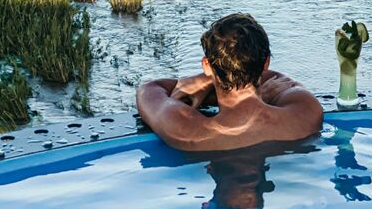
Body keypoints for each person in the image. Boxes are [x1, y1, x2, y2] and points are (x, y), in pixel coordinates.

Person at [136, 13, 324, 151]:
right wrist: (261, 95)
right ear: (266, 62)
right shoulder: (306, 115)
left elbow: (149, 89)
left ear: (207, 66)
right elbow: (279, 79)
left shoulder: (188, 132)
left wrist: (203, 81)